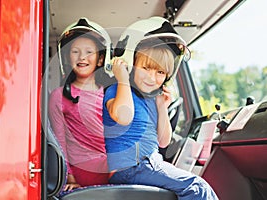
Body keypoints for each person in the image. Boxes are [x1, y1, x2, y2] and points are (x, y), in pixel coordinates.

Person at [103, 16, 219, 200]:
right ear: (130, 63)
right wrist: (123, 78)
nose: (152, 77)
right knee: (197, 188)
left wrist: (162, 106)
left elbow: (164, 141)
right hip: (131, 167)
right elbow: (123, 116)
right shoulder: (117, 91)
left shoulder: (152, 100)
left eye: (160, 72)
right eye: (147, 68)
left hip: (150, 163)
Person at [48, 17, 112, 192]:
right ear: (67, 59)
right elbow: (60, 141)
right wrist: (69, 177)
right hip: (82, 171)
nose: (82, 57)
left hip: (112, 168)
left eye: (89, 52)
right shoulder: (59, 96)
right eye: (75, 51)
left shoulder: (109, 94)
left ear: (100, 60)